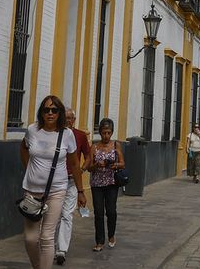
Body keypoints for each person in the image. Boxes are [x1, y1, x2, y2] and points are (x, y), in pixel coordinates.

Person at [19, 95, 84, 269]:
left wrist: (80, 191)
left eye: (54, 110)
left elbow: (74, 163)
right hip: (32, 191)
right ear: (41, 112)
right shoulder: (32, 130)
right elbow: (24, 148)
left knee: (47, 237)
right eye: (46, 110)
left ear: (59, 113)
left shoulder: (67, 134)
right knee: (30, 238)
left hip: (56, 190)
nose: (50, 113)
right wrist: (29, 168)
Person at [52, 106, 93, 265]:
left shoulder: (80, 135)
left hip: (72, 181)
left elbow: (88, 156)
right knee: (54, 214)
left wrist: (82, 170)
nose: (67, 121)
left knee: (67, 214)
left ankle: (61, 250)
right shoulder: (55, 134)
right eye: (65, 118)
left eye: (70, 118)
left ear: (74, 120)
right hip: (56, 181)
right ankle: (51, 246)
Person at [88, 118, 125, 252]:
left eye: (109, 133)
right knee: (98, 213)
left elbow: (122, 163)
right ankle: (99, 241)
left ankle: (111, 235)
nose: (106, 136)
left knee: (111, 211)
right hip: (97, 184)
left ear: (112, 132)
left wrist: (114, 165)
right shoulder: (94, 147)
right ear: (100, 132)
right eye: (104, 133)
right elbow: (89, 167)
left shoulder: (116, 145)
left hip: (111, 183)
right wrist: (96, 165)